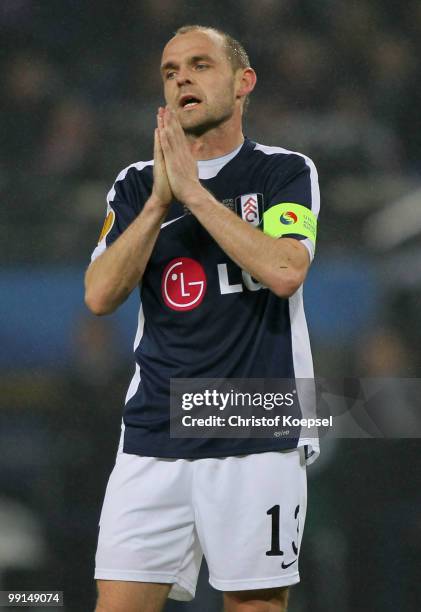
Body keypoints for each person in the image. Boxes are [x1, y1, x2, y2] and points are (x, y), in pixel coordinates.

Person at [85, 24, 320, 612]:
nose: (181, 77)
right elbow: (99, 295)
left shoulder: (283, 172)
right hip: (154, 429)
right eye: (170, 71)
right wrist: (163, 201)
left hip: (255, 427)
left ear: (244, 83)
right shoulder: (136, 185)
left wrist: (195, 196)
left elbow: (287, 270)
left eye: (198, 64)